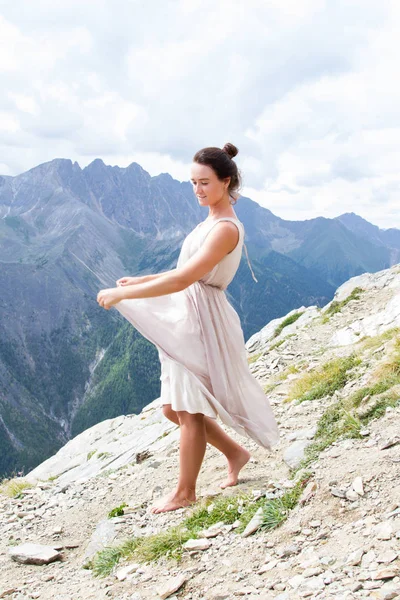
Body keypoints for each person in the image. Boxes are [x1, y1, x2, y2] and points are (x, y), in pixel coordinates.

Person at [97, 143, 279, 513]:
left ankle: (184, 492)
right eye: (193, 183)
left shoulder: (226, 228)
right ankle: (234, 453)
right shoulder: (211, 220)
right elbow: (185, 270)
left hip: (201, 318)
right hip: (190, 313)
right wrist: (143, 279)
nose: (197, 190)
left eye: (204, 183)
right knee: (173, 408)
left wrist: (122, 297)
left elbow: (185, 279)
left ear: (226, 181)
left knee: (188, 409)